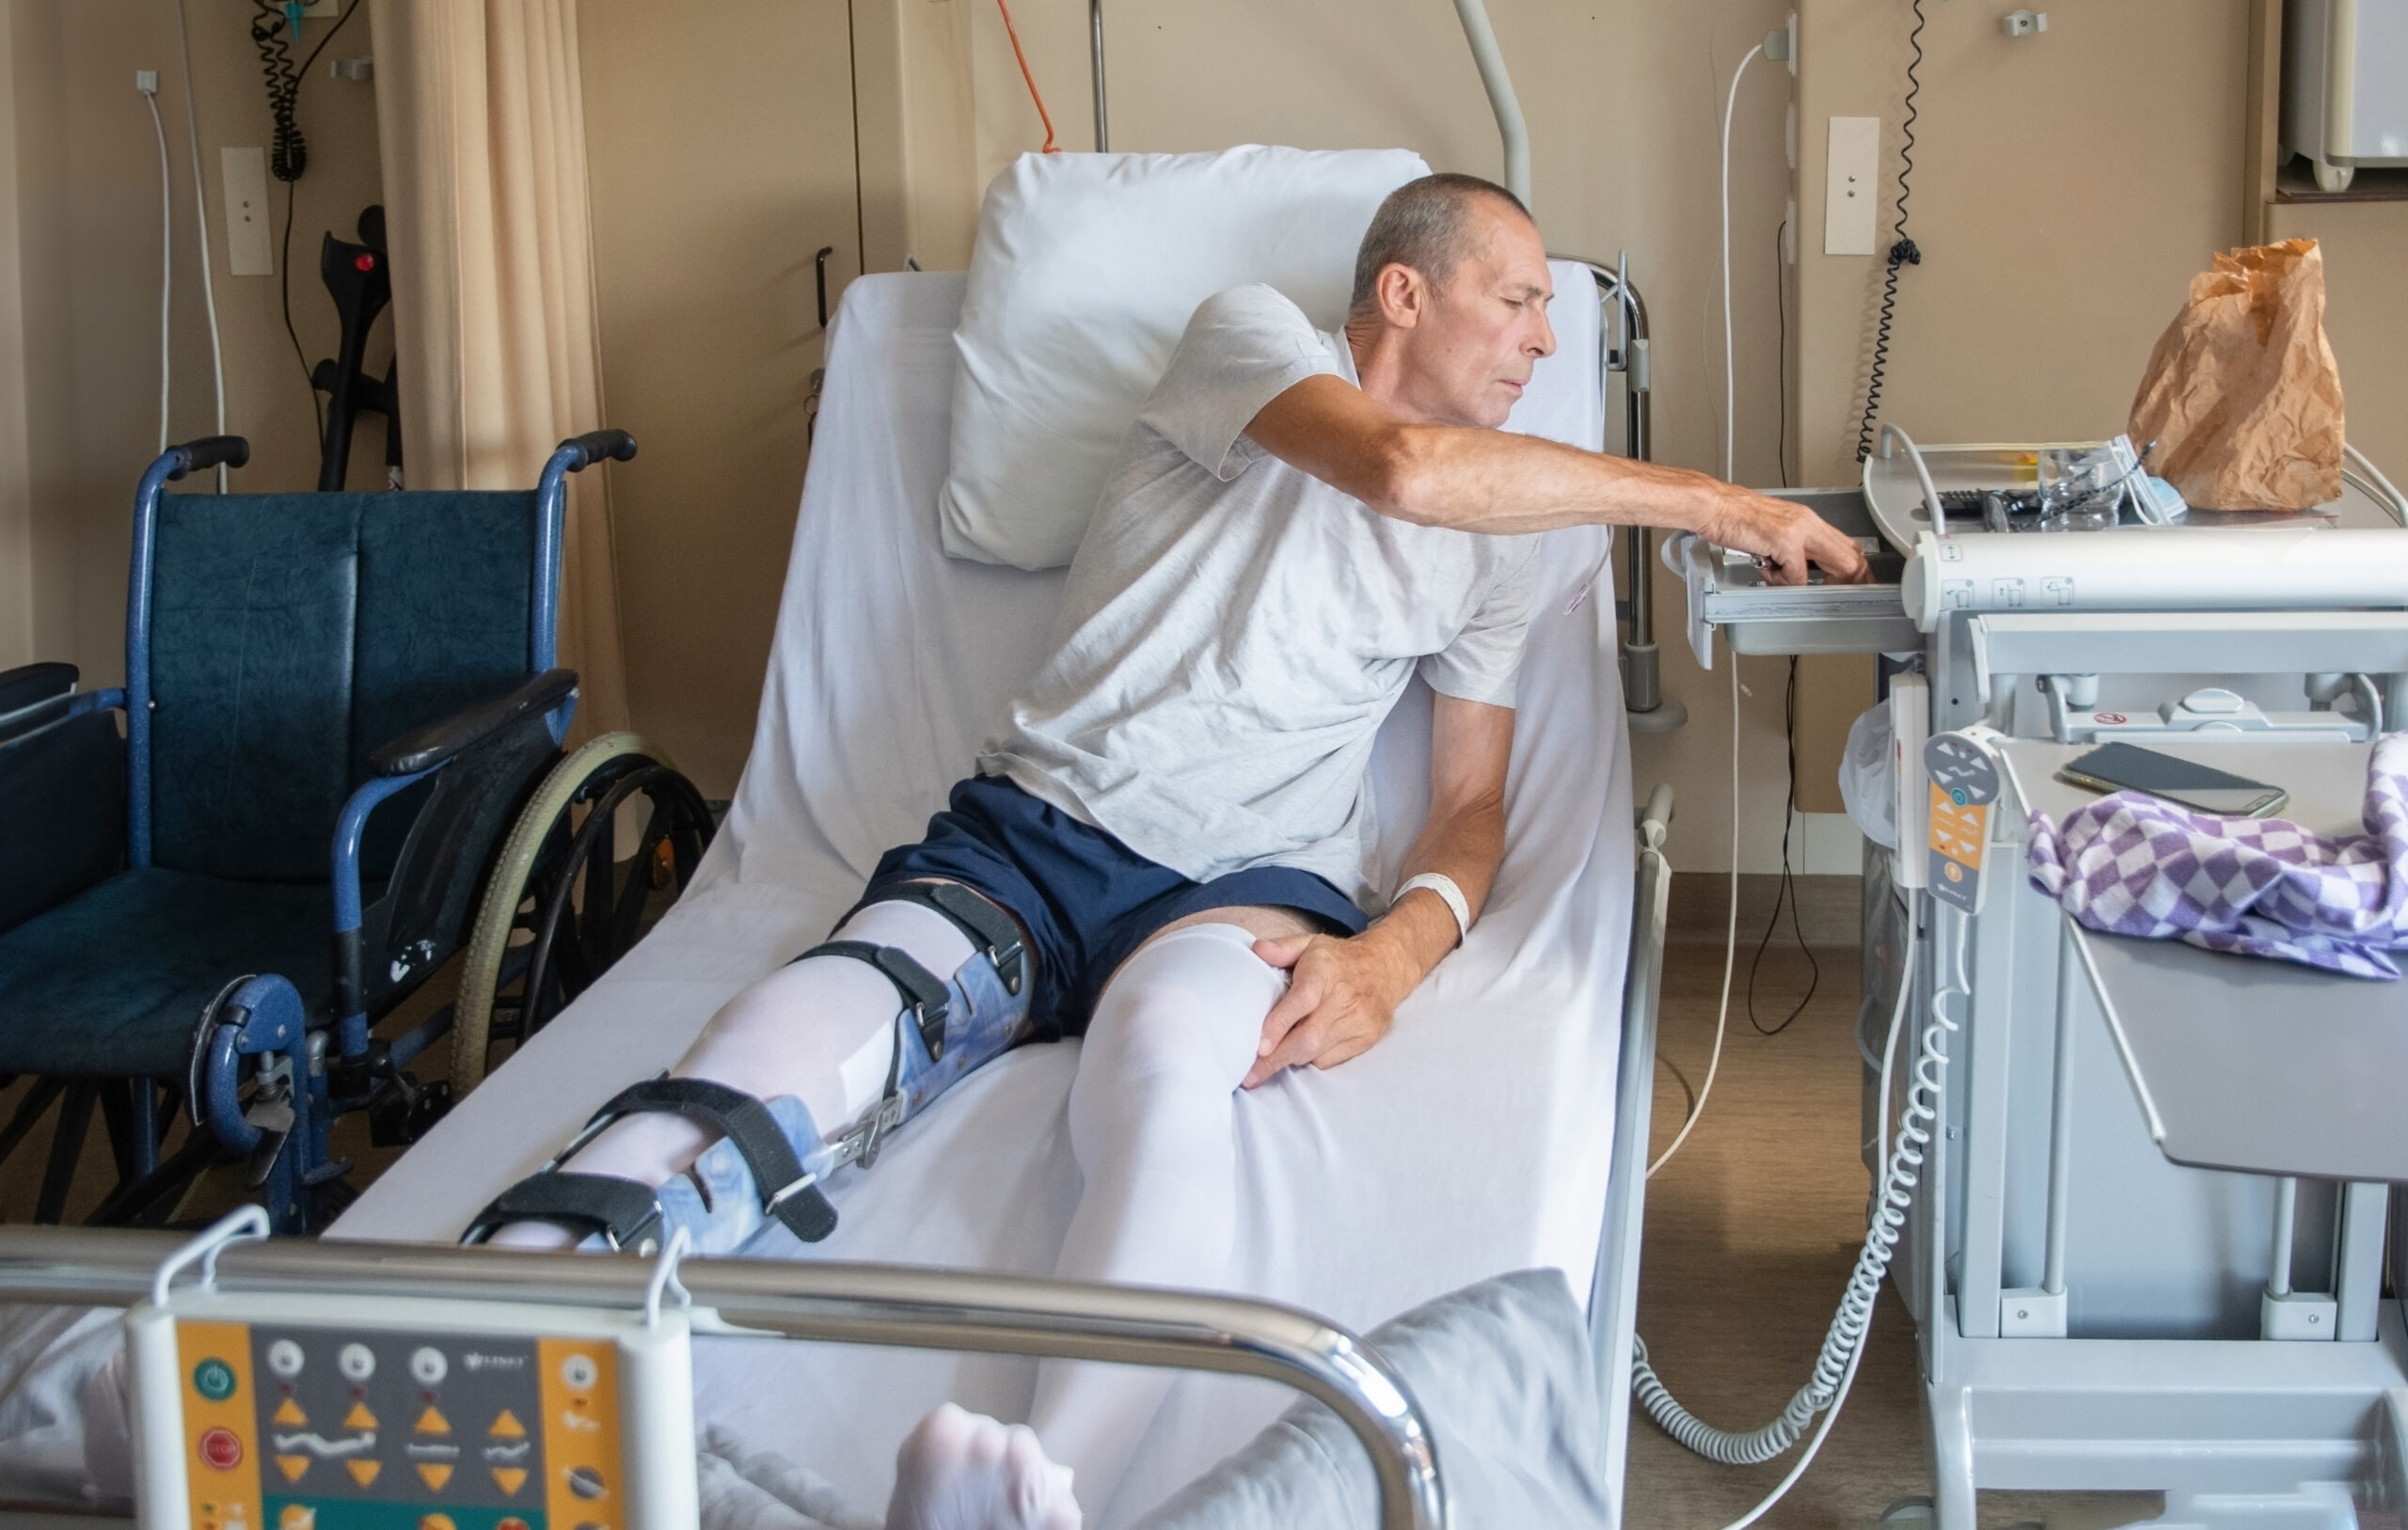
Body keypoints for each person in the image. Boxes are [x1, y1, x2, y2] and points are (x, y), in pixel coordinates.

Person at [467, 172, 1867, 1529]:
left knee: (1164, 1076)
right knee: (828, 1009)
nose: (1547, 336)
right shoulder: (1250, 339)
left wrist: (1398, 946)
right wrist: (1711, 500)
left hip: (1247, 889)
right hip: (1034, 837)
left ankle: (1026, 1490)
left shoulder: (1499, 558)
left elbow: (1470, 808)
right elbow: (1396, 467)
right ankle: (510, 1308)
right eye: (1513, 301)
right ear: (1401, 291)